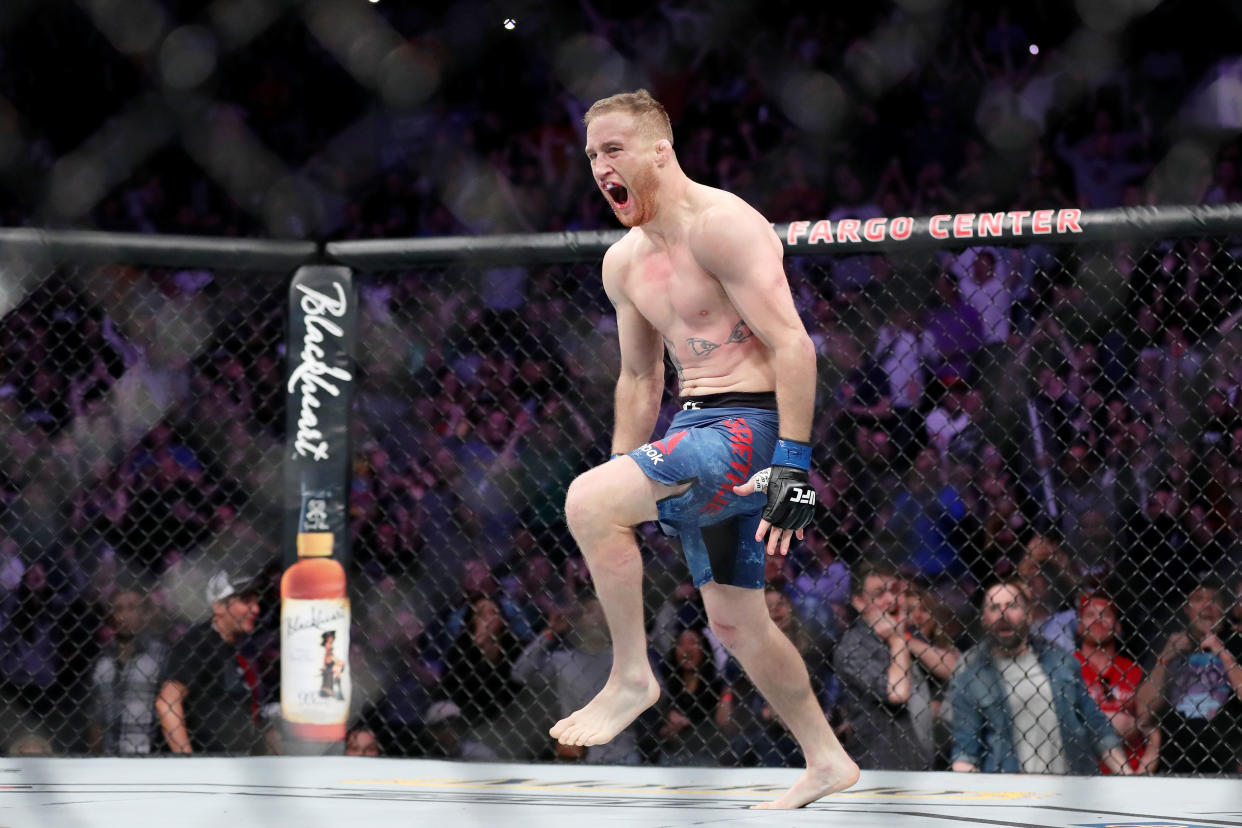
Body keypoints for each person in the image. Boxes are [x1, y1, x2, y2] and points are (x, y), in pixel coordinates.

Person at [551, 89, 858, 809]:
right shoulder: (623, 262)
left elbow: (793, 345)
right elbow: (638, 376)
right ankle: (825, 758)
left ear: (661, 149)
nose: (601, 166)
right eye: (593, 154)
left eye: (614, 149)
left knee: (583, 502)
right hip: (692, 428)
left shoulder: (724, 227)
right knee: (734, 620)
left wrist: (794, 466)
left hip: (751, 427)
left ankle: (631, 674)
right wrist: (624, 477)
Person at [949, 577, 1131, 775]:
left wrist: (1126, 774)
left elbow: (1096, 724)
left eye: (1012, 605)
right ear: (984, 620)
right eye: (994, 608)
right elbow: (965, 752)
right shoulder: (971, 679)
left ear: (1028, 616)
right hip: (1011, 793)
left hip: (1071, 787)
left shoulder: (1060, 662)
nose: (1003, 613)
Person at [1134, 577, 1242, 774]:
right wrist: (1164, 659)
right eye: (1198, 598)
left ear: (1225, 607)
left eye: (1214, 599)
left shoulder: (1236, 643)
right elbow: (1143, 710)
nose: (1207, 605)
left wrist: (1223, 654)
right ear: (1186, 608)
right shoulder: (1169, 645)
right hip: (1174, 753)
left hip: (1227, 751)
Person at [834, 562, 935, 770]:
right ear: (859, 602)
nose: (890, 599)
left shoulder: (909, 631)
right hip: (882, 764)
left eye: (895, 591)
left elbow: (950, 668)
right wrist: (898, 640)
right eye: (879, 594)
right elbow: (897, 693)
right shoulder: (854, 645)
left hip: (920, 759)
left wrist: (903, 637)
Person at [155, 569, 265, 754]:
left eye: (256, 601)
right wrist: (188, 763)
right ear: (219, 607)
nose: (256, 609)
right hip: (206, 765)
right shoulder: (200, 642)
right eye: (246, 601)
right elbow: (167, 703)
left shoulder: (228, 647)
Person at [86, 586, 167, 755]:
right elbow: (97, 718)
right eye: (118, 609)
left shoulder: (159, 656)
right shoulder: (103, 662)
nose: (124, 615)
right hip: (110, 759)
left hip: (149, 758)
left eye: (132, 608)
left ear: (143, 614)